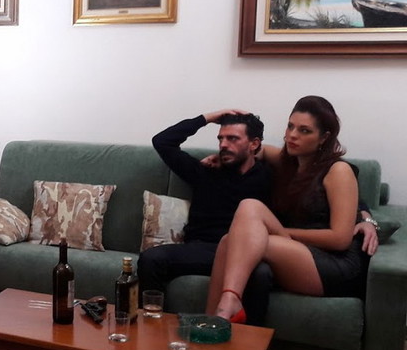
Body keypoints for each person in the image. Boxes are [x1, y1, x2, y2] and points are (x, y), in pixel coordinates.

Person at [207, 96, 369, 323]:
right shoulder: (287, 162)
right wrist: (223, 157)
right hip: (296, 251)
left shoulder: (338, 170)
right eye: (290, 126)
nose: (292, 135)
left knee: (248, 213)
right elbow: (261, 151)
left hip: (334, 264)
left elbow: (341, 238)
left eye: (304, 131)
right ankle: (213, 319)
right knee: (228, 240)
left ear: (324, 137)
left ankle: (227, 305)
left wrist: (272, 232)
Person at [138, 110, 275, 326]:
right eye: (221, 138)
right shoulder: (205, 171)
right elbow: (162, 142)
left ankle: (249, 343)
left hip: (240, 252)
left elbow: (294, 157)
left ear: (254, 144)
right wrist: (207, 118)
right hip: (200, 250)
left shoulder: (268, 177)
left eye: (233, 138)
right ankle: (152, 331)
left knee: (262, 273)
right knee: (151, 259)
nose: (223, 145)